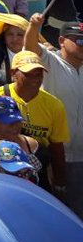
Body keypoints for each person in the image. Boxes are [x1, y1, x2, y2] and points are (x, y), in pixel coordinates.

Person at [0, 49, 70, 193]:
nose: (34, 79)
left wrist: (60, 183)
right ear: (13, 74)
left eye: (38, 74)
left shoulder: (54, 105)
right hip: (1, 164)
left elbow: (57, 148)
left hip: (37, 165)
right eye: (28, 74)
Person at [23, 14, 83, 212]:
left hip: (81, 156)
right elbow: (31, 48)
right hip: (53, 154)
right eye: (79, 40)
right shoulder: (50, 62)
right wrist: (33, 27)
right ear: (61, 41)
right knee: (53, 208)